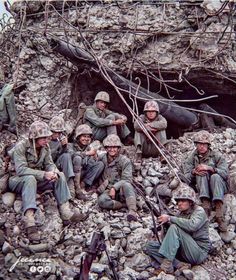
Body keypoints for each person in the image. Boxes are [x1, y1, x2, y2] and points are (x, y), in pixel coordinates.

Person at [8, 121, 86, 242]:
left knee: (59, 175)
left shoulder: (45, 147)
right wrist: (44, 174)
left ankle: (65, 212)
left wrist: (53, 171)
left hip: (36, 179)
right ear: (34, 137)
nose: (47, 140)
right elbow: (21, 170)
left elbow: (49, 163)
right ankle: (30, 221)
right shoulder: (21, 146)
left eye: (47, 137)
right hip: (17, 180)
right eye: (43, 137)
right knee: (30, 178)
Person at [144, 184, 210, 274]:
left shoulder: (199, 211)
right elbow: (172, 236)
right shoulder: (180, 214)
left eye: (183, 200)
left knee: (174, 227)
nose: (179, 203)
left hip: (198, 252)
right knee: (150, 246)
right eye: (178, 201)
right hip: (183, 251)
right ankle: (179, 264)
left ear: (190, 202)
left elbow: (192, 226)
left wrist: (170, 218)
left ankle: (165, 267)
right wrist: (164, 225)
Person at [182, 130, 228, 232]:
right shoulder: (192, 157)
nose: (201, 147)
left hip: (219, 187)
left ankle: (219, 213)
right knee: (200, 173)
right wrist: (194, 172)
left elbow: (225, 174)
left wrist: (210, 168)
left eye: (204, 144)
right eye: (199, 144)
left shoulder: (217, 155)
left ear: (208, 145)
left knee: (215, 176)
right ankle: (206, 206)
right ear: (196, 145)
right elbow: (186, 178)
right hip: (203, 189)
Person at [97, 134, 137, 221]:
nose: (111, 149)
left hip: (121, 189)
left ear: (119, 148)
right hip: (107, 189)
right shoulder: (102, 157)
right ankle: (124, 205)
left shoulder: (125, 161)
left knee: (127, 185)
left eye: (114, 147)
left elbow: (127, 179)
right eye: (109, 147)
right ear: (106, 148)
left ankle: (132, 211)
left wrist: (114, 188)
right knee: (102, 201)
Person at [68, 124, 104, 198]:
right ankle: (76, 188)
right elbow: (72, 155)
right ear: (78, 137)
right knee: (78, 158)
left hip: (82, 173)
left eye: (88, 137)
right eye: (84, 136)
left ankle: (83, 185)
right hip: (72, 176)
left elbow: (90, 164)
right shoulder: (70, 146)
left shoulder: (88, 147)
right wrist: (87, 153)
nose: (86, 139)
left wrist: (94, 157)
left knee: (100, 164)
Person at [48, 116, 75, 197]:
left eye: (59, 133)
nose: (57, 135)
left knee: (66, 156)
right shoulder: (44, 139)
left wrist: (64, 146)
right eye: (54, 132)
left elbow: (64, 156)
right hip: (45, 167)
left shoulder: (60, 140)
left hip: (55, 165)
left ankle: (69, 186)